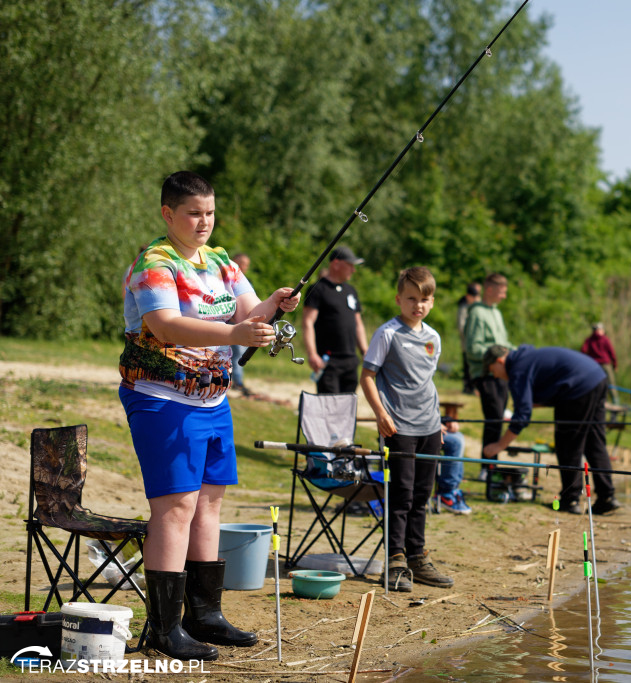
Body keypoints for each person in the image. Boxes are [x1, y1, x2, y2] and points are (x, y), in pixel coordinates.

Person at [119, 171, 301, 661]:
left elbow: (251, 313)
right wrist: (234, 335)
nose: (204, 222)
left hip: (213, 400)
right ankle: (164, 627)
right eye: (194, 213)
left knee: (209, 505)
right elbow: (166, 326)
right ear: (168, 214)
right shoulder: (154, 263)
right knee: (175, 507)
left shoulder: (220, 261)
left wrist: (275, 305)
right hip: (161, 399)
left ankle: (207, 615)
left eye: (210, 213)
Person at [360, 266, 454, 592]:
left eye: (425, 299)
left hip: (429, 427)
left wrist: (439, 422)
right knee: (400, 496)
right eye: (412, 298)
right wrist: (380, 414)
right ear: (399, 299)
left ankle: (417, 556)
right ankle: (396, 561)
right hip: (398, 427)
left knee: (421, 496)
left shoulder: (434, 337)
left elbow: (428, 383)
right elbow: (367, 376)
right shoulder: (387, 334)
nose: (419, 305)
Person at [481, 344, 620, 516]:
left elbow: (523, 416)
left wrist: (499, 446)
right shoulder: (525, 358)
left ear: (500, 361)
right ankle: (607, 497)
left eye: (492, 369)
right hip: (597, 376)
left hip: (577, 388)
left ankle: (570, 500)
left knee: (568, 444)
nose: (494, 375)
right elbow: (546, 387)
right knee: (594, 442)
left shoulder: (518, 369)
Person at [302, 246, 369, 394]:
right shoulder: (318, 289)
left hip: (351, 360)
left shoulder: (351, 291)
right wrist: (312, 353)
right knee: (329, 405)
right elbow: (308, 322)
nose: (353, 270)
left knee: (348, 404)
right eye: (350, 265)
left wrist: (364, 350)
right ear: (336, 264)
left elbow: (358, 323)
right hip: (328, 361)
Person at [463, 273, 510, 466]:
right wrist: (497, 356)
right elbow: (473, 349)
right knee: (494, 418)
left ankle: (493, 464)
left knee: (499, 418)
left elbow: (504, 343)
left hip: (503, 373)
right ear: (489, 290)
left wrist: (515, 353)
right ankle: (488, 467)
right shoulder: (476, 313)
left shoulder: (497, 312)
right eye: (502, 292)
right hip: (486, 374)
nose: (504, 296)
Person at [436, 418, 472, 514]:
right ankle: (446, 492)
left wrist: (446, 420)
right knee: (455, 443)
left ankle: (454, 490)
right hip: (418, 428)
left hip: (431, 423)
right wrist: (433, 424)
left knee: (458, 436)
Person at [229, 252, 251, 396]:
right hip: (229, 324)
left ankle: (237, 381)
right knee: (234, 354)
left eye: (247, 265)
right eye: (242, 263)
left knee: (238, 354)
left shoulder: (245, 282)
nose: (244, 267)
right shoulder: (225, 280)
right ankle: (236, 381)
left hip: (241, 324)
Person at [581, 322, 618, 404]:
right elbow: (612, 352)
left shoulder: (589, 339)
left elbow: (583, 350)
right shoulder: (605, 339)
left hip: (593, 365)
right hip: (605, 364)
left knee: (597, 383)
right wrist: (615, 364)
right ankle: (614, 401)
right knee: (610, 383)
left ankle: (601, 400)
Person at [456, 282, 481, 394]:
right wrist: (469, 337)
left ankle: (475, 387)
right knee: (467, 366)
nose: (477, 298)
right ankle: (468, 388)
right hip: (467, 343)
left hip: (476, 343)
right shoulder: (464, 307)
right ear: (468, 296)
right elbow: (461, 326)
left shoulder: (477, 306)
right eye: (475, 296)